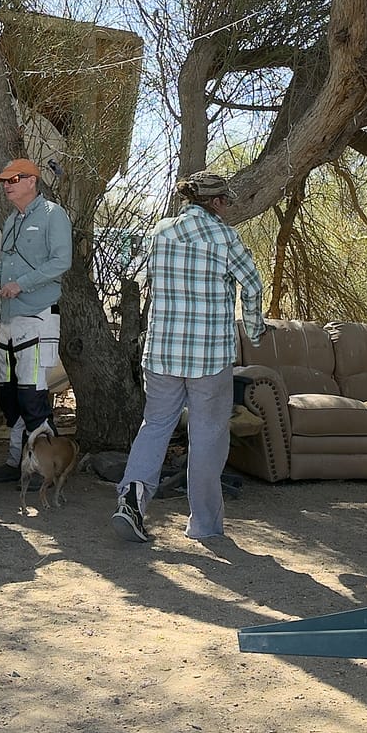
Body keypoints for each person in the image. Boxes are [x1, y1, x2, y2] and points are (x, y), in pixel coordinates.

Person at [112, 169, 266, 546]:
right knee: (208, 436)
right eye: (225, 201)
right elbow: (253, 284)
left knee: (155, 426)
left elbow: (134, 272)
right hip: (209, 357)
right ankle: (204, 525)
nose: (227, 207)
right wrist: (255, 329)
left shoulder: (160, 232)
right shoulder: (224, 237)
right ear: (216, 202)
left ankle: (132, 498)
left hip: (161, 353)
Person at [0, 157, 72, 484]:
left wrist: (22, 284)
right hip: (8, 318)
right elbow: (4, 260)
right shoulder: (12, 219)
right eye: (4, 181)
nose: (7, 186)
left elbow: (62, 260)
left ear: (32, 181)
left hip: (37, 316)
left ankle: (45, 471)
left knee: (33, 396)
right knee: (10, 396)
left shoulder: (53, 214)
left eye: (13, 180)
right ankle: (16, 462)